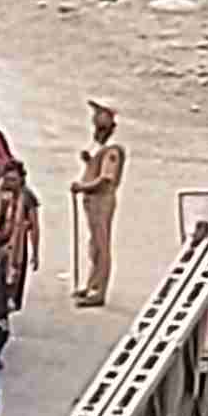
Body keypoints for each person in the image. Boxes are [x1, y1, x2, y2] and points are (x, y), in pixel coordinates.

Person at [75, 102, 127, 306]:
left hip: (101, 200)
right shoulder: (100, 144)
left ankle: (98, 291)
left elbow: (106, 179)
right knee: (94, 245)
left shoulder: (112, 148)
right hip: (92, 200)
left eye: (98, 116)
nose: (94, 119)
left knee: (101, 245)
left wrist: (82, 187)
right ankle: (91, 283)